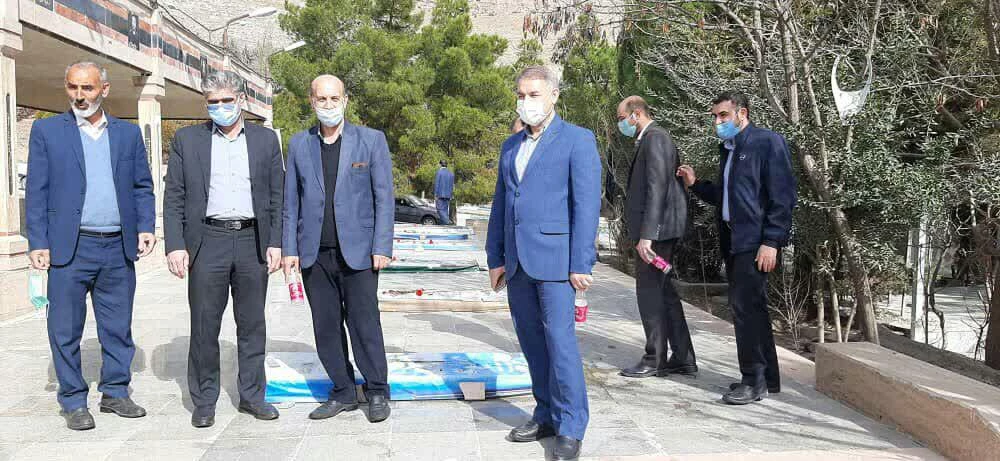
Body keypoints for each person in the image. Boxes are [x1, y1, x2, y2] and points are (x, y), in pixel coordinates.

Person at [26, 61, 156, 430]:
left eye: (88, 88)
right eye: (73, 87)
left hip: (117, 247)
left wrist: (145, 226)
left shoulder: (127, 134)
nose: (80, 96)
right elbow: (36, 189)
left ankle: (115, 392)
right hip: (70, 247)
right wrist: (38, 241)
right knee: (65, 328)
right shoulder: (47, 132)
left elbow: (142, 186)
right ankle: (73, 400)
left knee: (117, 327)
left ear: (104, 89)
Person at [486, 65, 601, 461]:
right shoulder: (510, 146)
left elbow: (586, 206)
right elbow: (502, 204)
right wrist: (496, 257)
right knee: (532, 342)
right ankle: (546, 413)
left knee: (560, 344)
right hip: (517, 262)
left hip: (556, 261)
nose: (526, 102)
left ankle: (571, 426)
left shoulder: (577, 140)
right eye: (521, 95)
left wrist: (582, 261)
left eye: (534, 94)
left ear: (553, 96)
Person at [164, 71, 284, 427]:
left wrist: (276, 241)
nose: (220, 107)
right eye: (212, 102)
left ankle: (253, 396)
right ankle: (204, 400)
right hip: (207, 241)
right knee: (204, 326)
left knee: (252, 325)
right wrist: (175, 245)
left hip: (252, 241)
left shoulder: (265, 140)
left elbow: (278, 196)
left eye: (226, 100)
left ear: (241, 100)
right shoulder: (188, 140)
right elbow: (174, 196)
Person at [282, 75, 394, 423]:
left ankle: (377, 390)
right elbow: (291, 202)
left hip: (359, 253)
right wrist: (289, 249)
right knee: (326, 326)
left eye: (334, 99)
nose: (328, 105)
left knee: (364, 324)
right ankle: (343, 391)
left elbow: (384, 197)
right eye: (322, 99)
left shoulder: (370, 141)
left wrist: (382, 245)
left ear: (345, 100)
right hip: (314, 254)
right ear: (311, 101)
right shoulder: (299, 144)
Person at [676, 91, 796, 405]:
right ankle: (767, 378)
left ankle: (753, 381)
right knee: (753, 309)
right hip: (733, 239)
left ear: (742, 113)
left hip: (755, 242)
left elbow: (783, 197)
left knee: (745, 310)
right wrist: (695, 185)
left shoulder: (767, 143)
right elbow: (728, 197)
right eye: (715, 117)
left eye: (723, 116)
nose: (717, 122)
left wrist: (771, 241)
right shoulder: (729, 149)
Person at [616, 96, 697, 379]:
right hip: (660, 231)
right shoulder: (650, 139)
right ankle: (683, 358)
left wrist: (647, 236)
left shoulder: (656, 138)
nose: (620, 124)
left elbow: (657, 188)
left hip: (658, 234)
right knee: (665, 293)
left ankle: (655, 358)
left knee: (650, 293)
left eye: (622, 118)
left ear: (636, 114)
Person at [433, 160, 455, 225]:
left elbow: (437, 184)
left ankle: (448, 222)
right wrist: (451, 195)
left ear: (440, 165)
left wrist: (435, 195)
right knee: (445, 211)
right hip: (448, 196)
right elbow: (452, 185)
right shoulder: (451, 173)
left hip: (440, 195)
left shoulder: (439, 172)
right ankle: (445, 225)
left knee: (439, 209)